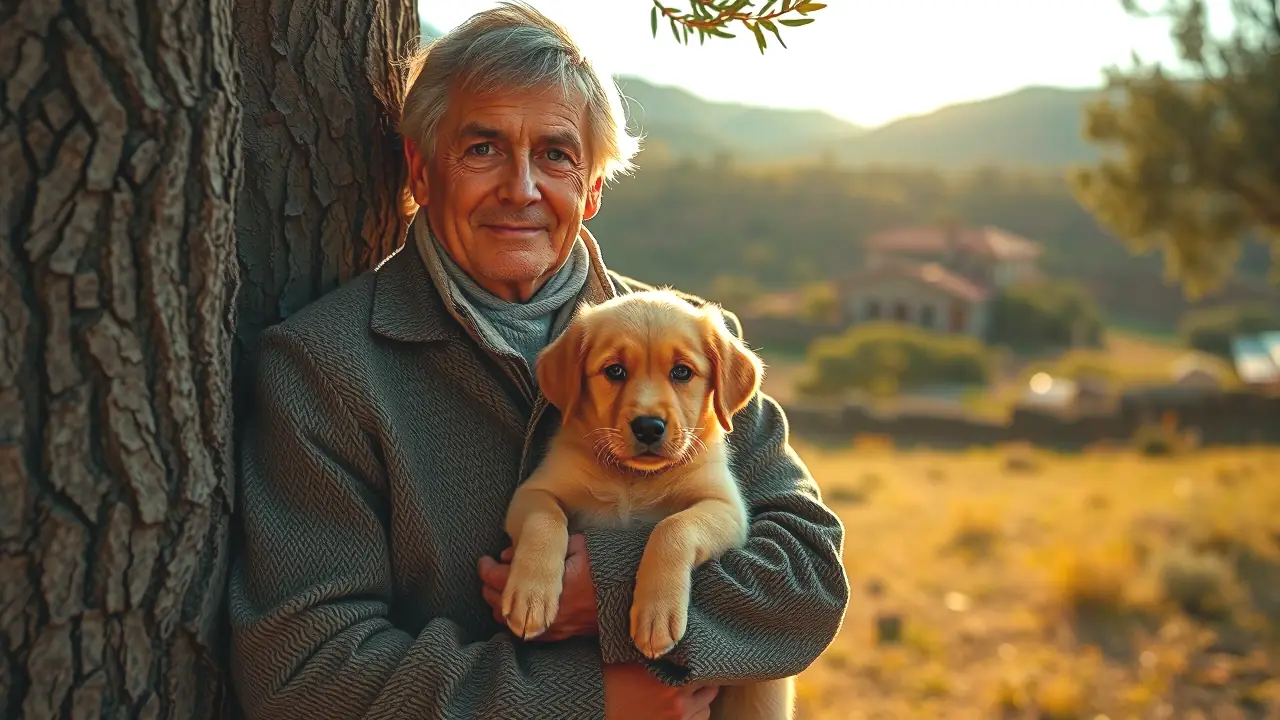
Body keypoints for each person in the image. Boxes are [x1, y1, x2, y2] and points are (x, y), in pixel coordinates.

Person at [227, 2, 849, 718]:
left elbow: (810, 583)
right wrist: (594, 699)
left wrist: (611, 591)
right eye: (482, 148)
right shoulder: (324, 371)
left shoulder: (690, 351)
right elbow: (304, 673)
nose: (520, 189)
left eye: (555, 154)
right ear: (422, 170)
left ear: (590, 189)